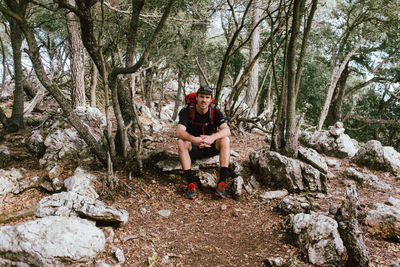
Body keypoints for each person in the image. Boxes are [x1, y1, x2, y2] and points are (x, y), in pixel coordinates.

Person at [176, 85, 231, 199]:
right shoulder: (187, 111)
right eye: (201, 97)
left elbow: (227, 130)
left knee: (225, 140)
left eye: (207, 97)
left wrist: (212, 137)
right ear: (196, 97)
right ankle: (190, 183)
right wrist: (194, 140)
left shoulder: (214, 111)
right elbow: (179, 132)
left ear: (211, 99)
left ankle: (222, 183)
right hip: (194, 147)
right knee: (181, 142)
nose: (204, 100)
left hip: (210, 146)